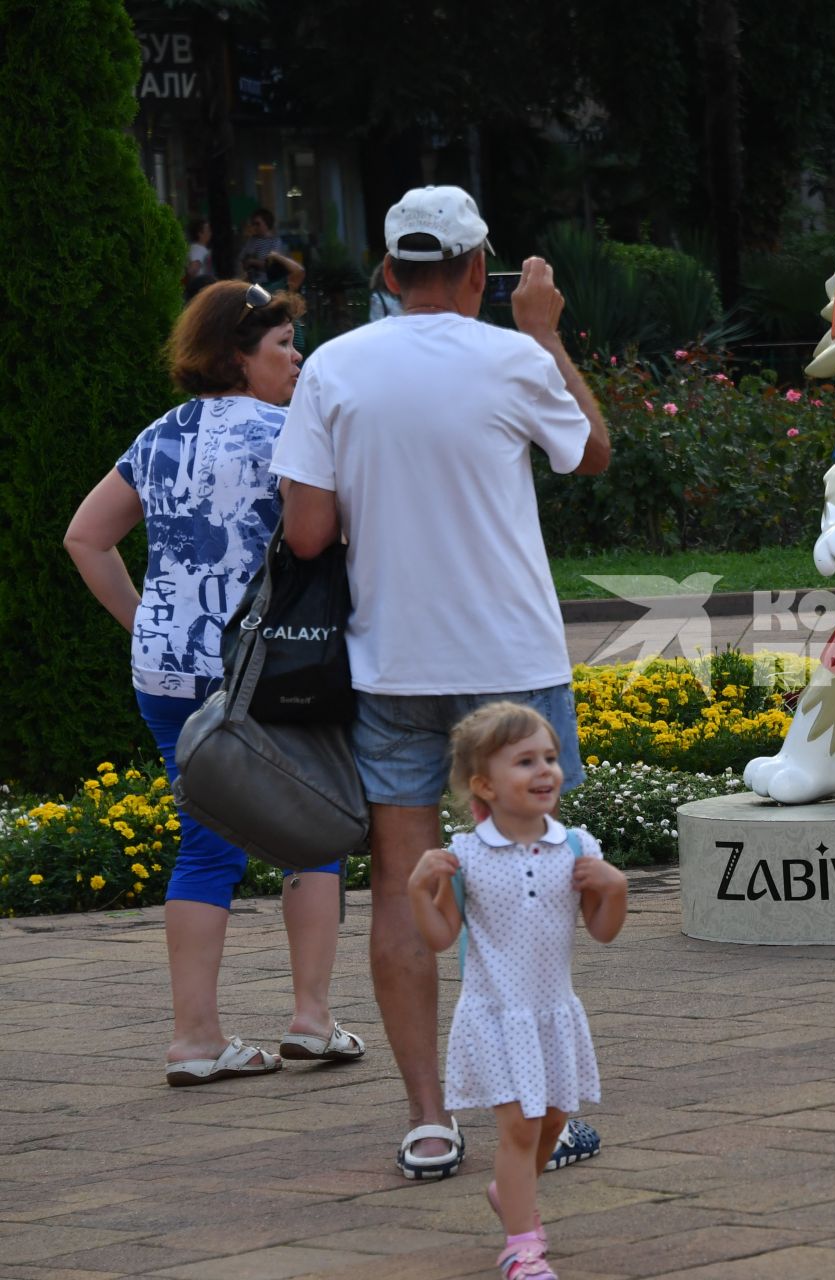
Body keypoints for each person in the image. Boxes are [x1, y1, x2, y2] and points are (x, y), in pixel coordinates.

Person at [271, 185, 611, 1180]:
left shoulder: (333, 365)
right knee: (525, 899)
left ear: (386, 272)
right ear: (477, 271)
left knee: (404, 890)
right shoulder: (510, 355)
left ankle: (429, 1118)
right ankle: (533, 1119)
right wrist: (545, 334)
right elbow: (589, 452)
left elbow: (305, 533)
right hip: (512, 667)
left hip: (394, 670)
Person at [63, 281, 361, 1086]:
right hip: (270, 668)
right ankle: (311, 1018)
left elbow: (85, 537)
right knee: (316, 823)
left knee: (204, 846)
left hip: (165, 672)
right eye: (281, 346)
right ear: (238, 355)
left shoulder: (157, 437)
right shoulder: (289, 434)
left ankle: (195, 1040)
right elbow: (319, 539)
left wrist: (146, 623)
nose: (296, 356)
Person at [408, 702, 627, 1280]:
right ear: (484, 784)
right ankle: (521, 1245)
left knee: (553, 1122)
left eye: (550, 758)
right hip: (495, 1014)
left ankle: (512, 1191)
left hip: (553, 1013)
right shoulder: (466, 856)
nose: (545, 771)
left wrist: (617, 890)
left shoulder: (576, 847)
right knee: (520, 1127)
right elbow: (439, 938)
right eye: (525, 761)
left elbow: (602, 933)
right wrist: (417, 891)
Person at [237, 208, 306, 294]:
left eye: (258, 224)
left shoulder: (275, 241)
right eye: (253, 224)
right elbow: (242, 259)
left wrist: (252, 262)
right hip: (253, 282)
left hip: (270, 283)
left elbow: (271, 264)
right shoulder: (252, 241)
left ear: (266, 224)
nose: (255, 227)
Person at [184, 217, 214, 298]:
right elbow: (192, 270)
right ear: (200, 233)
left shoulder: (197, 248)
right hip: (201, 289)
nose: (210, 233)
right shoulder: (198, 249)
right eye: (207, 230)